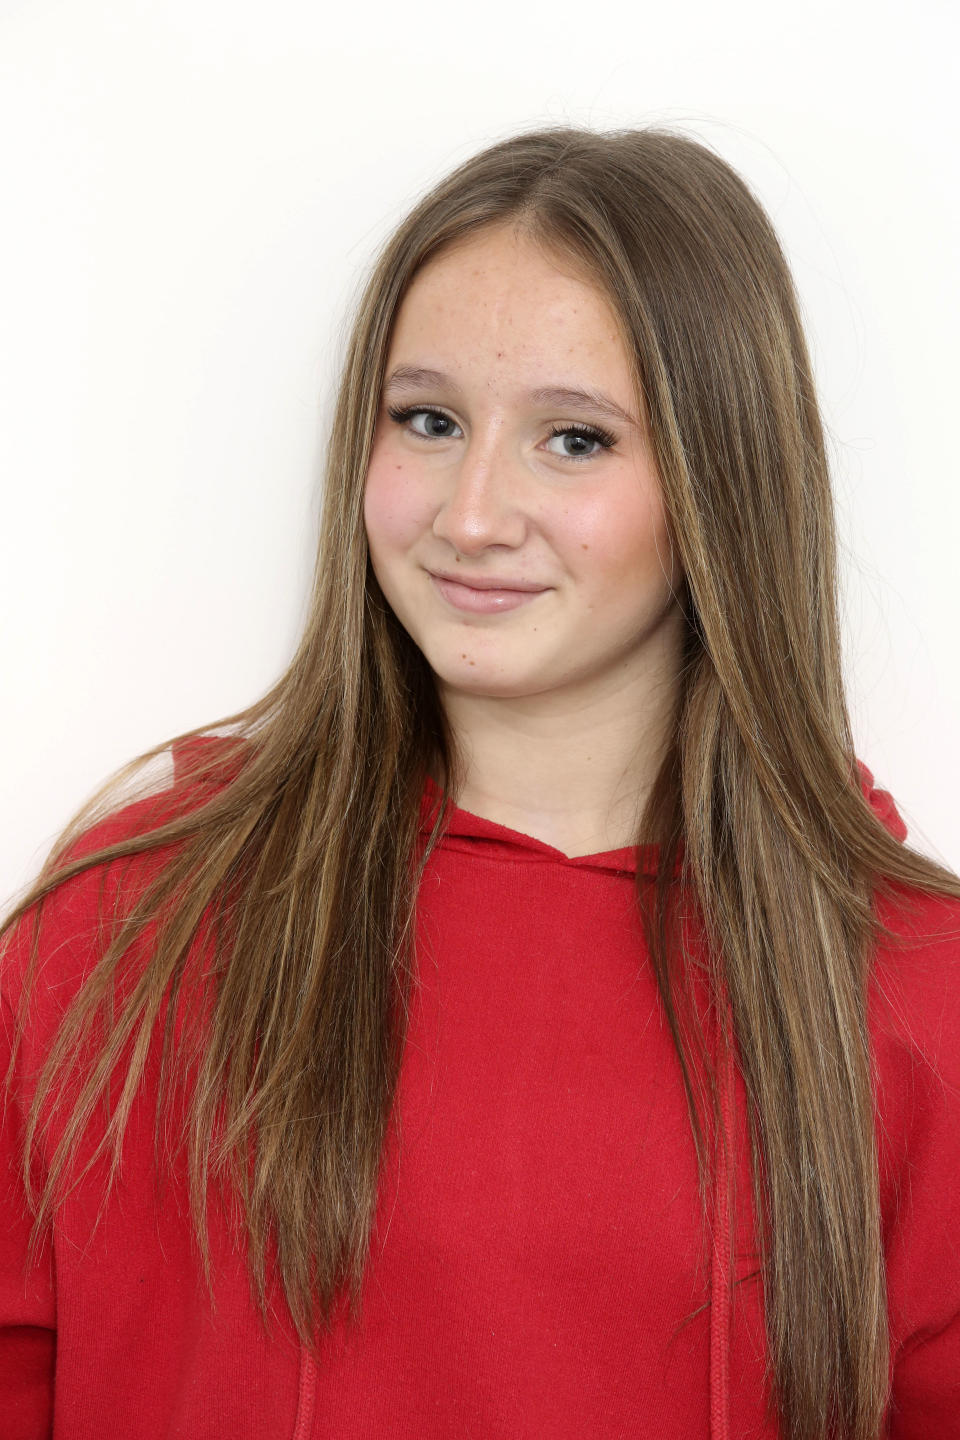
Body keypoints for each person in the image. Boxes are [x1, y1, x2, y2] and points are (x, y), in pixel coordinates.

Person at [1, 124, 958, 1440]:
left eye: (573, 440)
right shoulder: (123, 923)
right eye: (430, 421)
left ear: (721, 482)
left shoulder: (912, 994)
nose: (470, 513)